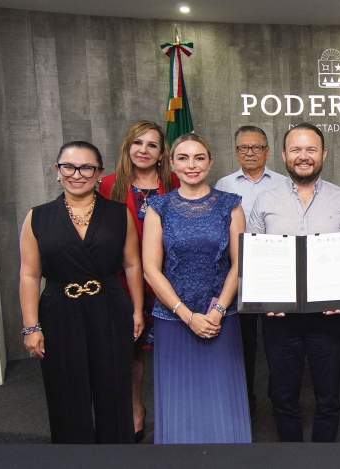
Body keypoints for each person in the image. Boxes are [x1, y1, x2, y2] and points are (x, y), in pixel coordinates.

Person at [247, 122, 340, 443]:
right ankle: (291, 455)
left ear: (323, 154)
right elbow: (253, 251)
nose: (304, 156)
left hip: (328, 316)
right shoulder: (265, 201)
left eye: (311, 149)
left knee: (328, 395)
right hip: (278, 317)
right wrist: (262, 298)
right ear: (284, 155)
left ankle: (324, 455)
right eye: (296, 149)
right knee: (283, 394)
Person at [19, 141, 144, 443]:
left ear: (99, 173)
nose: (77, 174)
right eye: (69, 167)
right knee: (65, 390)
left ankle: (117, 458)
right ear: (57, 171)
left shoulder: (118, 214)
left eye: (87, 167)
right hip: (59, 310)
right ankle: (72, 458)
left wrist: (137, 311)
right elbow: (29, 274)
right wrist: (31, 326)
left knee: (113, 387)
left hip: (110, 308)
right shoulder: (37, 216)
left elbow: (131, 264)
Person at [143, 133, 250, 444]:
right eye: (184, 158)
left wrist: (216, 311)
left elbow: (240, 264)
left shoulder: (231, 205)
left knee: (220, 395)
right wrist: (188, 315)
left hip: (221, 319)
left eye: (199, 157)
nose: (192, 165)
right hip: (173, 318)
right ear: (171, 163)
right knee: (180, 396)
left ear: (210, 162)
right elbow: (150, 269)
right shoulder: (158, 207)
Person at [99, 120, 179, 441]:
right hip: (124, 279)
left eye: (152, 145)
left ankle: (175, 411)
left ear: (162, 153)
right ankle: (136, 408)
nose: (144, 150)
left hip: (167, 277)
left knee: (172, 349)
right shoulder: (107, 185)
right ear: (128, 147)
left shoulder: (174, 181)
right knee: (131, 351)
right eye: (138, 143)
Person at [215, 125, 283, 418]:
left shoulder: (282, 184)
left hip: (275, 273)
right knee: (242, 342)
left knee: (277, 340)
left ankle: (279, 398)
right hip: (237, 272)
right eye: (244, 147)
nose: (251, 152)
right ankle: (245, 402)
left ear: (267, 151)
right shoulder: (223, 185)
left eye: (257, 147)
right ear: (236, 151)